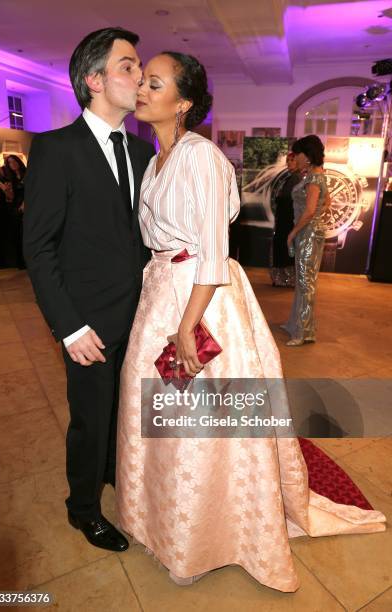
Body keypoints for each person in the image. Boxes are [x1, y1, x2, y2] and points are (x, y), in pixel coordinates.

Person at [114, 53, 385, 591]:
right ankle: (162, 521)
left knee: (201, 420)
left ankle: (205, 535)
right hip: (160, 294)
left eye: (154, 82)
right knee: (161, 411)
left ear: (184, 102)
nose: (141, 88)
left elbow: (213, 252)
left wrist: (187, 326)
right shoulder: (155, 159)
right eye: (141, 80)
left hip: (201, 299)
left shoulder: (202, 157)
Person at [24, 27, 155, 553]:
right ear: (94, 80)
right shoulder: (57, 149)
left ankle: (113, 474)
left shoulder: (145, 154)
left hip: (141, 316)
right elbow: (39, 249)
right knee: (90, 419)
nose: (139, 75)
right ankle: (83, 509)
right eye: (128, 66)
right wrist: (69, 326)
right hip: (88, 323)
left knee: (125, 412)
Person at [282, 135, 330, 346]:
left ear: (308, 156)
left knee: (305, 282)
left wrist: (293, 232)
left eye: (298, 154)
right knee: (304, 281)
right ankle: (297, 324)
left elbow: (310, 211)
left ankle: (303, 332)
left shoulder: (314, 178)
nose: (296, 158)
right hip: (310, 232)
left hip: (308, 234)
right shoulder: (315, 175)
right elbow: (326, 202)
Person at [269, 152, 300, 287]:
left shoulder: (295, 178)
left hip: (287, 221)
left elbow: (288, 200)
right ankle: (285, 278)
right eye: (288, 160)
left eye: (292, 160)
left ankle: (286, 279)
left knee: (285, 249)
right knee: (283, 249)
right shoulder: (291, 178)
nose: (289, 163)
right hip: (285, 220)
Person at [3, 154, 26, 268]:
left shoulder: (28, 173)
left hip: (28, 204)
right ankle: (21, 262)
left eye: (14, 161)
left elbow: (33, 190)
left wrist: (25, 203)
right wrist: (7, 191)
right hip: (16, 207)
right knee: (18, 234)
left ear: (18, 161)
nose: (13, 164)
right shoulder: (9, 179)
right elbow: (11, 198)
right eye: (10, 162)